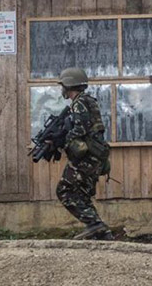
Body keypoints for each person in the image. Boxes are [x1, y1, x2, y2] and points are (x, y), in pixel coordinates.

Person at [56, 68, 113, 241]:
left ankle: (95, 225)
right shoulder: (89, 101)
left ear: (68, 85)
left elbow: (81, 129)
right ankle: (101, 233)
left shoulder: (79, 103)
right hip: (96, 156)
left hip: (87, 157)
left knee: (64, 190)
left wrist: (63, 139)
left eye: (63, 86)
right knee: (81, 194)